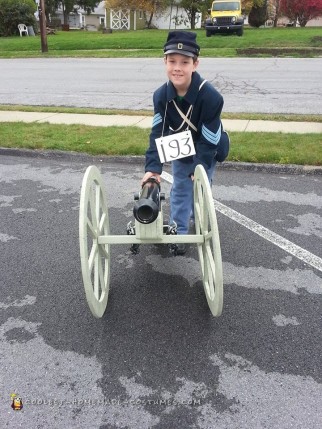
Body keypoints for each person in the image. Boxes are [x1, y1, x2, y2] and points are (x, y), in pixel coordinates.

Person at [141, 31, 229, 255]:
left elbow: (209, 138)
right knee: (181, 187)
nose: (177, 67)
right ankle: (178, 232)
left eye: (184, 62)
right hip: (181, 144)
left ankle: (199, 221)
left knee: (200, 185)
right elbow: (158, 132)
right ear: (165, 62)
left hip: (207, 144)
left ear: (195, 64)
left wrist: (198, 166)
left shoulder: (211, 97)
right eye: (172, 61)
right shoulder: (161, 96)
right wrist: (153, 168)